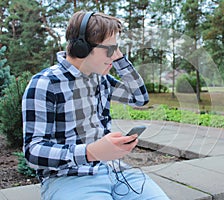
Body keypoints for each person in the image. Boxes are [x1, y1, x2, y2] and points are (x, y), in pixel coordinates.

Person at [22, 10, 170, 200]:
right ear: (81, 48)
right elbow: (33, 151)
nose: (114, 55)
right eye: (110, 49)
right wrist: (90, 152)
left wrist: (119, 60)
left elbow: (139, 98)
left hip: (114, 169)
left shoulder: (101, 79)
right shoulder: (45, 83)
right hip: (68, 178)